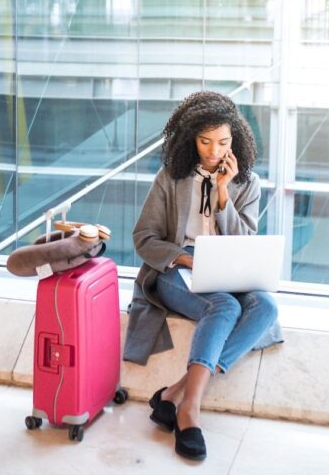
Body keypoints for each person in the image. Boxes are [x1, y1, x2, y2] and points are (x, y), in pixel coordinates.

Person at [124, 90, 282, 461]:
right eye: (205, 141)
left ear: (236, 141)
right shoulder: (170, 179)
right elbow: (143, 238)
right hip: (178, 268)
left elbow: (244, 241)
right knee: (224, 308)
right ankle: (189, 410)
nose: (213, 151)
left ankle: (175, 391)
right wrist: (183, 258)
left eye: (223, 142)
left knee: (265, 309)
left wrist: (224, 192)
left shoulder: (248, 184)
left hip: (228, 265)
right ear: (190, 139)